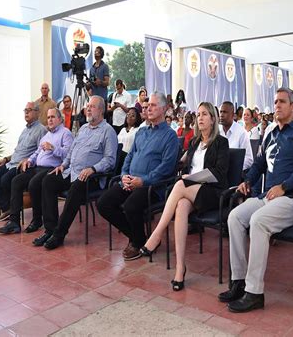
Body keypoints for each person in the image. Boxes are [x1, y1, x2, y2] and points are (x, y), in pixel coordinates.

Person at [218, 88, 293, 313]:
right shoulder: (271, 133)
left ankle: (254, 292)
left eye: (282, 102)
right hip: (267, 197)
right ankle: (239, 281)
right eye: (275, 102)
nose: (277, 105)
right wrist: (249, 182)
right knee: (234, 217)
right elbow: (259, 164)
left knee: (258, 221)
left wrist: (284, 187)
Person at [140, 102, 229, 291]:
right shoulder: (195, 142)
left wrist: (192, 178)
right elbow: (184, 163)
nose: (200, 118)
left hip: (212, 192)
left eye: (205, 114)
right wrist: (178, 162)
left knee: (181, 184)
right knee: (180, 205)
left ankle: (156, 234)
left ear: (213, 119)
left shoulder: (221, 143)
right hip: (190, 191)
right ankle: (180, 268)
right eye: (198, 114)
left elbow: (219, 174)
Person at [97, 91, 179, 261]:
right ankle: (139, 237)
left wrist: (143, 181)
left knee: (130, 206)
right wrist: (124, 176)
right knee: (103, 203)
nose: (149, 108)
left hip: (152, 187)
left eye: (154, 105)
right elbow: (129, 156)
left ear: (164, 109)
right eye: (148, 105)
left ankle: (137, 240)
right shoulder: (141, 133)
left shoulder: (170, 136)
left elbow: (167, 168)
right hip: (130, 181)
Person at [36, 96, 118, 249]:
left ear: (101, 110)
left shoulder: (108, 132)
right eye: (87, 106)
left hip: (91, 178)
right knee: (48, 181)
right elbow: (72, 151)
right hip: (72, 172)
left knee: (76, 187)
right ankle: (50, 229)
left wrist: (93, 169)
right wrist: (63, 164)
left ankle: (59, 234)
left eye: (92, 106)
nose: (87, 109)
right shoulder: (83, 129)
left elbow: (110, 160)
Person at [0, 108, 74, 234]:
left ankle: (37, 219)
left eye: (53, 117)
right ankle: (14, 222)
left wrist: (53, 148)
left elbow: (68, 155)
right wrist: (29, 161)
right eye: (48, 117)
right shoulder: (46, 135)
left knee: (33, 184)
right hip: (37, 167)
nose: (50, 120)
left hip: (52, 168)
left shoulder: (66, 133)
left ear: (60, 119)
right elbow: (37, 152)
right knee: (16, 181)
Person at [0, 102, 47, 221]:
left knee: (5, 180)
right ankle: (7, 208)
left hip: (23, 166)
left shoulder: (41, 130)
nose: (26, 112)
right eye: (25, 110)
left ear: (37, 112)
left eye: (29, 110)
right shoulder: (24, 131)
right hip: (11, 163)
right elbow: (17, 151)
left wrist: (28, 159)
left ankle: (14, 210)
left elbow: (42, 152)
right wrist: (6, 159)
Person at [219, 101, 253, 170]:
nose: (221, 115)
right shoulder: (217, 131)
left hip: (233, 174)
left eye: (225, 112)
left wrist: (234, 168)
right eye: (221, 112)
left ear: (233, 115)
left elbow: (249, 160)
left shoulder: (241, 133)